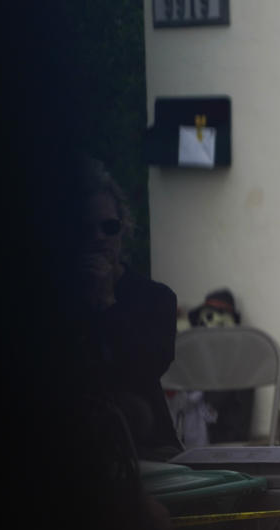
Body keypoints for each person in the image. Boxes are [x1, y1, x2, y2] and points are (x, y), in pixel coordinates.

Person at [76, 157, 183, 461]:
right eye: (86, 229)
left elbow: (145, 368)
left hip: (147, 447)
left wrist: (107, 303)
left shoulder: (155, 298)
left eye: (108, 227)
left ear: (123, 229)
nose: (98, 237)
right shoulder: (51, 300)